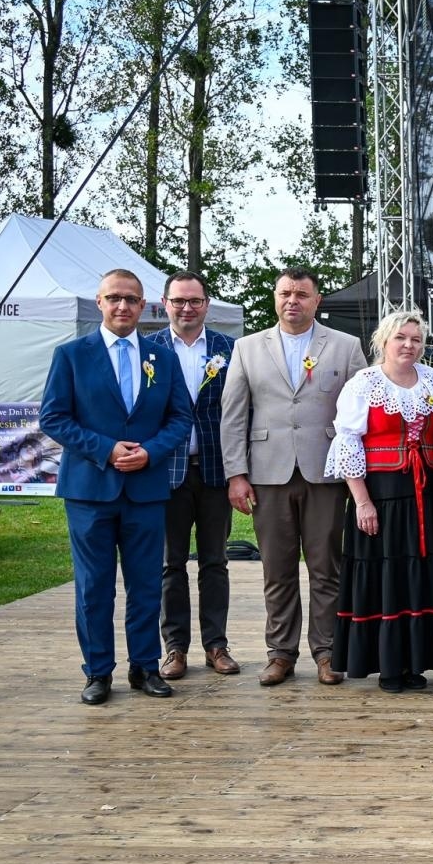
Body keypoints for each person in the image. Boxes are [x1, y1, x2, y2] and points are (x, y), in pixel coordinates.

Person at [39, 269, 194, 704]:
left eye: (131, 299)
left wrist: (150, 452)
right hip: (90, 489)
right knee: (94, 588)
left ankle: (144, 667)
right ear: (99, 302)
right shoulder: (71, 355)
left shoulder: (161, 358)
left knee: (146, 584)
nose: (123, 306)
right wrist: (106, 449)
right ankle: (98, 671)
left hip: (146, 489)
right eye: (114, 298)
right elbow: (53, 417)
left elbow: (180, 417)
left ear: (144, 306)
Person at [220, 269, 367, 687]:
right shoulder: (247, 348)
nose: (293, 301)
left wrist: (359, 472)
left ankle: (327, 652)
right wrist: (236, 473)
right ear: (275, 298)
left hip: (327, 472)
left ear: (317, 300)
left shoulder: (345, 346)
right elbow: (233, 416)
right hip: (268, 473)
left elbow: (360, 413)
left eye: (302, 294)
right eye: (285, 293)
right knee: (277, 569)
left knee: (326, 567)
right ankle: (281, 653)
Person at [325, 311, 433, 692]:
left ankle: (416, 663)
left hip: (425, 495)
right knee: (384, 576)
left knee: (422, 575)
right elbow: (348, 442)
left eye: (416, 339)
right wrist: (362, 502)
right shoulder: (364, 384)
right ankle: (388, 666)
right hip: (381, 496)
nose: (409, 345)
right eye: (401, 338)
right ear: (384, 340)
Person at [151, 271, 239, 678]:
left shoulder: (230, 348)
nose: (187, 308)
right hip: (164, 472)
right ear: (165, 303)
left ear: (207, 304)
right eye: (179, 301)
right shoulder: (147, 348)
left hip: (214, 469)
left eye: (195, 301)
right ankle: (175, 648)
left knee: (214, 562)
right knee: (170, 564)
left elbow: (240, 411)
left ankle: (216, 645)